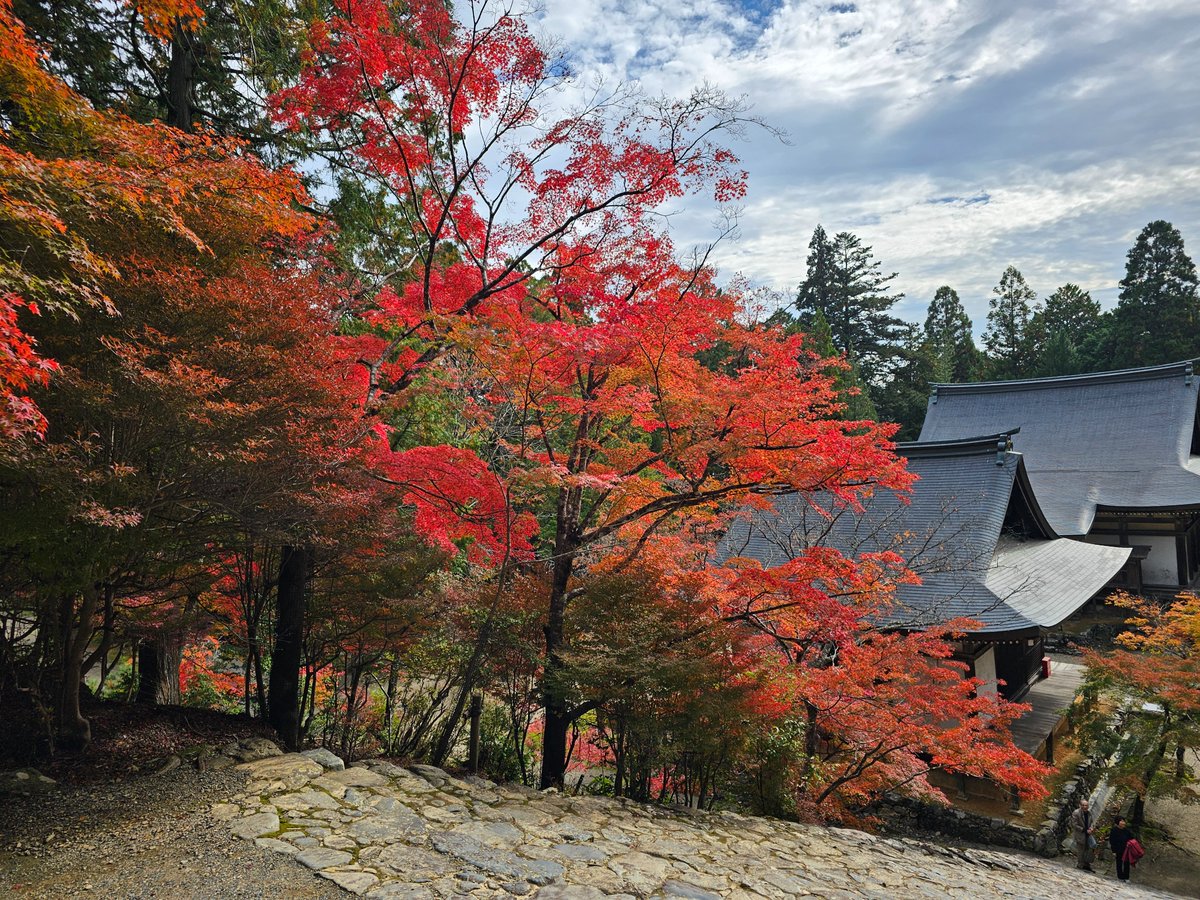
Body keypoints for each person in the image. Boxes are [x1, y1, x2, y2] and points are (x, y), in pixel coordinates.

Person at [1071, 798, 1096, 870]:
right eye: (1083, 805)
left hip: (1088, 834)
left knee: (1090, 847)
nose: (1085, 807)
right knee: (1081, 850)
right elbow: (1074, 824)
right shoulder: (1076, 813)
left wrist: (1091, 828)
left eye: (1086, 805)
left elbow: (1092, 822)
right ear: (1080, 805)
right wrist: (1084, 830)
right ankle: (1080, 864)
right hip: (1080, 834)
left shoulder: (1089, 813)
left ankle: (1087, 864)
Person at [1108, 816, 1133, 881]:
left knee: (1126, 863)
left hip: (1126, 850)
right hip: (1118, 849)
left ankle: (1126, 877)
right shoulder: (1114, 830)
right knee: (1119, 863)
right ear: (1117, 822)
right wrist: (1114, 850)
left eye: (1124, 821)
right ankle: (1120, 876)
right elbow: (1112, 841)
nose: (1123, 823)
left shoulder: (1127, 831)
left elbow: (1131, 839)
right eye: (1121, 821)